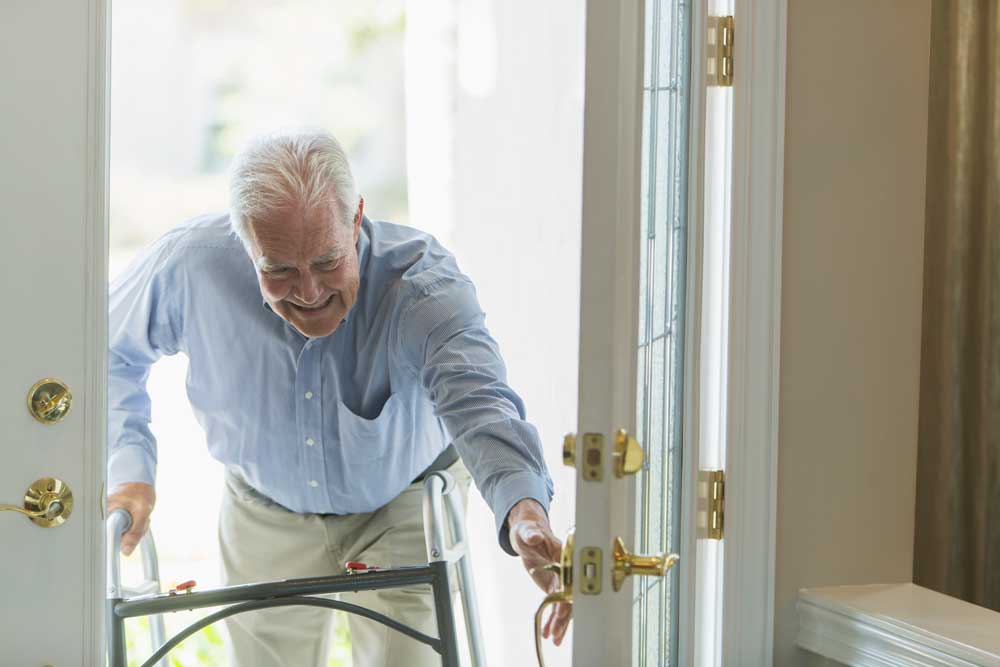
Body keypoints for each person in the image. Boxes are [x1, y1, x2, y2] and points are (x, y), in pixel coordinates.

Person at [106, 129, 572, 666]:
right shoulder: (189, 266)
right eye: (278, 269)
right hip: (265, 506)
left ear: (356, 220)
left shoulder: (422, 284)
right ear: (245, 240)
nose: (309, 292)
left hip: (403, 501)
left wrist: (523, 509)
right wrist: (130, 470)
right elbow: (106, 351)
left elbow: (482, 403)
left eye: (328, 261)